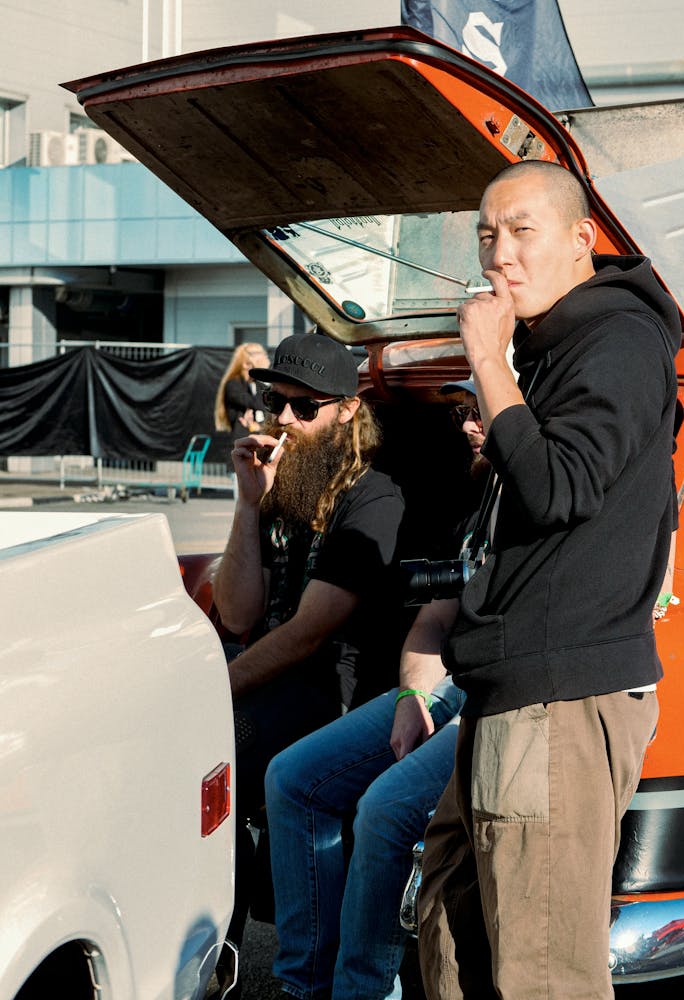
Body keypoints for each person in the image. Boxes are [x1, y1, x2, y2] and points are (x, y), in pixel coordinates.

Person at [417, 160, 681, 1000]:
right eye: (488, 235)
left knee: (541, 973)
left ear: (581, 240)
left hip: (558, 697)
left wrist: (490, 367)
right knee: (454, 934)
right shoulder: (554, 349)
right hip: (513, 688)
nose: (501, 256)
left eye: (523, 231)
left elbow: (561, 486)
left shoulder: (618, 340)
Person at [263, 380, 491, 1000]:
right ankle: (303, 985)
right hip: (449, 685)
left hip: (511, 693)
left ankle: (361, 991)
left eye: (479, 411)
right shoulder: (482, 500)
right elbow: (434, 620)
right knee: (291, 778)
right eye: (463, 412)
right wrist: (411, 698)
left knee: (385, 810)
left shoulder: (547, 491)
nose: (467, 426)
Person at [212, 330, 406, 951]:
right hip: (273, 678)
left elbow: (307, 635)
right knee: (197, 767)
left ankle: (280, 964)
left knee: (215, 744)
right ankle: (221, 956)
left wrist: (211, 689)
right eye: (278, 405)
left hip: (337, 692)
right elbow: (238, 612)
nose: (286, 421)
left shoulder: (374, 496)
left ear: (348, 411)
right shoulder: (280, 484)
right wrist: (248, 504)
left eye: (305, 407)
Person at [214, 341, 271, 438]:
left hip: (258, 437)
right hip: (240, 440)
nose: (265, 357)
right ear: (245, 364)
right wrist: (262, 373)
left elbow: (270, 408)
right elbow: (258, 404)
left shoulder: (258, 385)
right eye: (259, 354)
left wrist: (259, 426)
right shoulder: (233, 385)